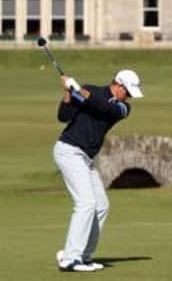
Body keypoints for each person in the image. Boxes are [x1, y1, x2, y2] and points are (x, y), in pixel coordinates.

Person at [53, 70, 143, 272]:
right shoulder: (89, 90)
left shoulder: (123, 108)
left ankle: (84, 255)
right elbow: (63, 116)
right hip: (68, 151)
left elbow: (104, 108)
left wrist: (82, 93)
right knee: (86, 203)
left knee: (101, 205)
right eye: (127, 92)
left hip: (85, 157)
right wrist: (68, 92)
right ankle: (69, 258)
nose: (129, 97)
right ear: (119, 85)